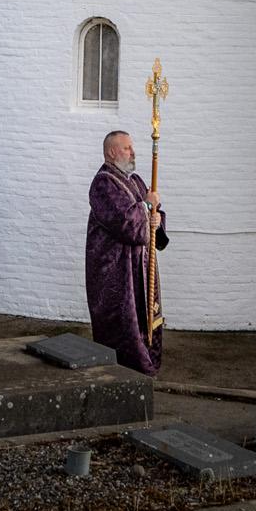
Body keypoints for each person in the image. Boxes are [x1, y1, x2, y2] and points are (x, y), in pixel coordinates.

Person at [83, 128, 165, 374]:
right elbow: (126, 222)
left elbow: (151, 218)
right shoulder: (103, 183)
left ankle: (147, 360)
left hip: (140, 264)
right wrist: (147, 205)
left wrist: (157, 218)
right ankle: (127, 369)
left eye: (132, 147)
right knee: (123, 323)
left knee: (145, 318)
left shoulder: (136, 180)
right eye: (127, 147)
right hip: (115, 270)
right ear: (111, 151)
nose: (133, 152)